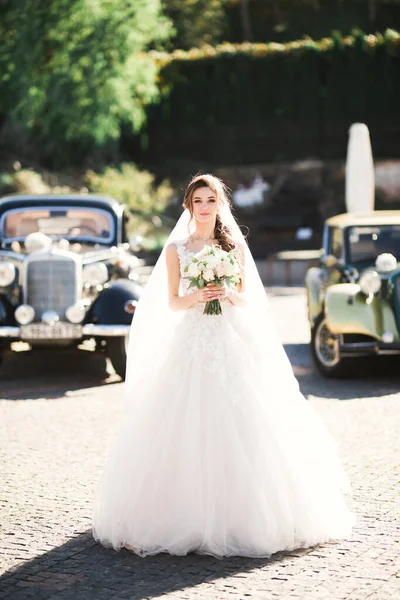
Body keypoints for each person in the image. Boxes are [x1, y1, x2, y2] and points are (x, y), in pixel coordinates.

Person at [92, 174, 355, 559]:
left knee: (248, 417)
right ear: (188, 205)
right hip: (194, 340)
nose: (204, 207)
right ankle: (179, 517)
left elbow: (250, 299)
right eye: (197, 200)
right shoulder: (177, 249)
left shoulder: (233, 246)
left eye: (210, 200)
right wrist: (198, 294)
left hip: (232, 338)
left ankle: (247, 516)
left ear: (220, 204)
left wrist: (228, 293)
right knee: (184, 421)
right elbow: (173, 303)